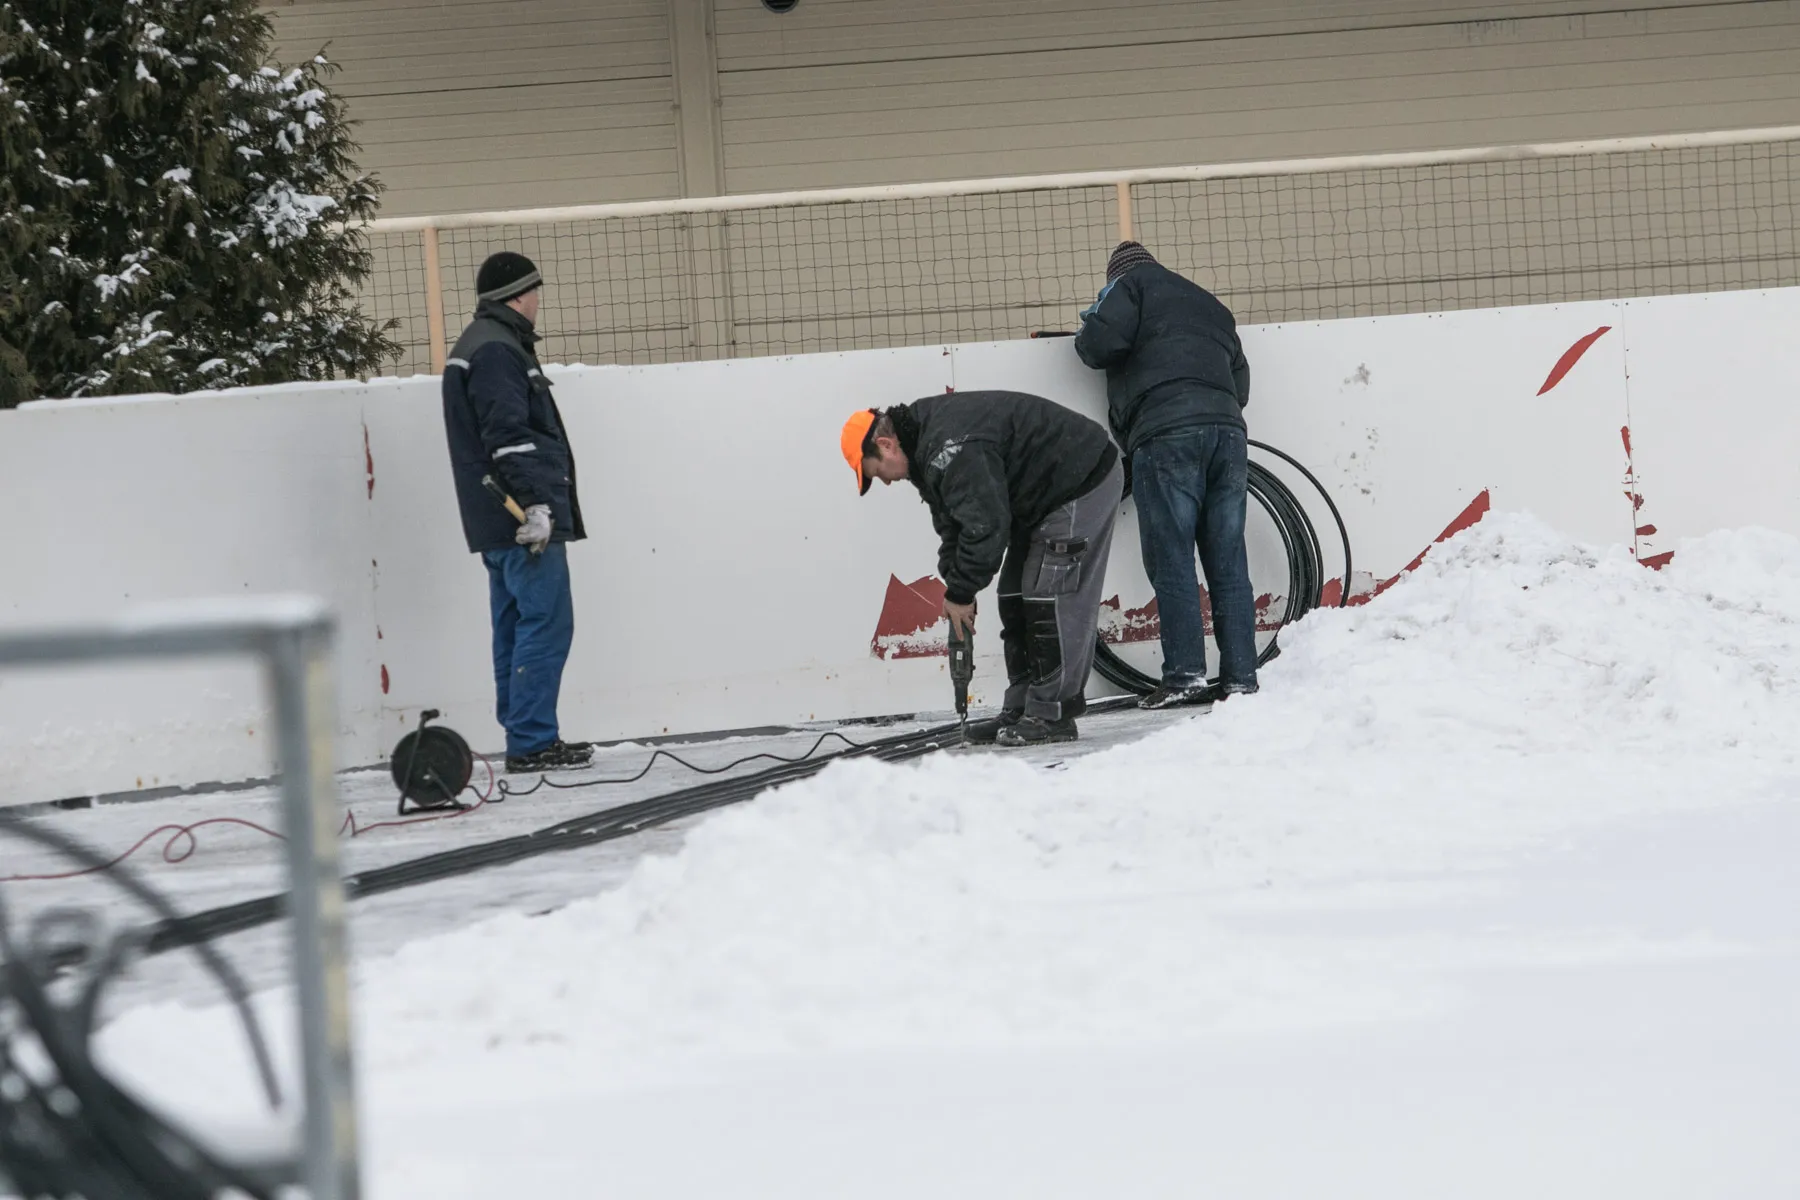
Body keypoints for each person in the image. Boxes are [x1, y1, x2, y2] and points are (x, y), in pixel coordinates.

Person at [842, 391, 1122, 746]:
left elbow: (985, 527)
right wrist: (956, 586)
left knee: (1048, 598)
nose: (884, 481)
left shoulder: (949, 448)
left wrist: (961, 592)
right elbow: (953, 525)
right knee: (1014, 595)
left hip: (1080, 479)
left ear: (884, 444)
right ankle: (1023, 707)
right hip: (1038, 497)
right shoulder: (924, 445)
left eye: (876, 472)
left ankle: (1054, 714)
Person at [1073, 241, 1258, 709]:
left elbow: (1097, 346)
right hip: (1229, 436)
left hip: (1167, 433)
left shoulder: (1126, 286)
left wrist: (1092, 317)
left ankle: (1184, 675)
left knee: (1171, 557)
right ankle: (1241, 678)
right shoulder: (1208, 302)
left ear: (1115, 274)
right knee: (1229, 561)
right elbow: (1242, 384)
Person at [441, 251, 593, 773]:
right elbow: (507, 438)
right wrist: (536, 506)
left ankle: (526, 736)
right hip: (521, 520)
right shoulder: (498, 351)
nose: (538, 304)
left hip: (497, 519)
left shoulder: (482, 345)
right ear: (518, 296)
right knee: (546, 622)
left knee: (514, 624)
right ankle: (532, 740)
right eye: (535, 294)